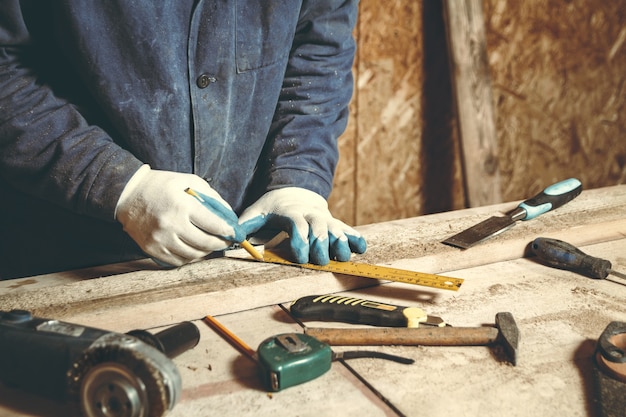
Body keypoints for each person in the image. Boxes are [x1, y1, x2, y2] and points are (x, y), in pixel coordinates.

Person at [0, 1, 367, 280]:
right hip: (61, 257)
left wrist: (296, 178)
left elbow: (319, 48)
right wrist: (122, 188)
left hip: (239, 245)